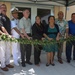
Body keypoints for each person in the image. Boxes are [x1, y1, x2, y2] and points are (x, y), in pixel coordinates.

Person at [0, 4, 14, 71]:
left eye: (5, 8)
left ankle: (7, 63)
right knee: (2, 52)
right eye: (2, 8)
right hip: (3, 37)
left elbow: (9, 28)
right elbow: (2, 28)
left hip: (8, 37)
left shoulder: (8, 18)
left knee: (8, 51)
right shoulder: (0, 17)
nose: (4, 9)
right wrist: (8, 35)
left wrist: (10, 34)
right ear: (0, 9)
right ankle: (3, 65)